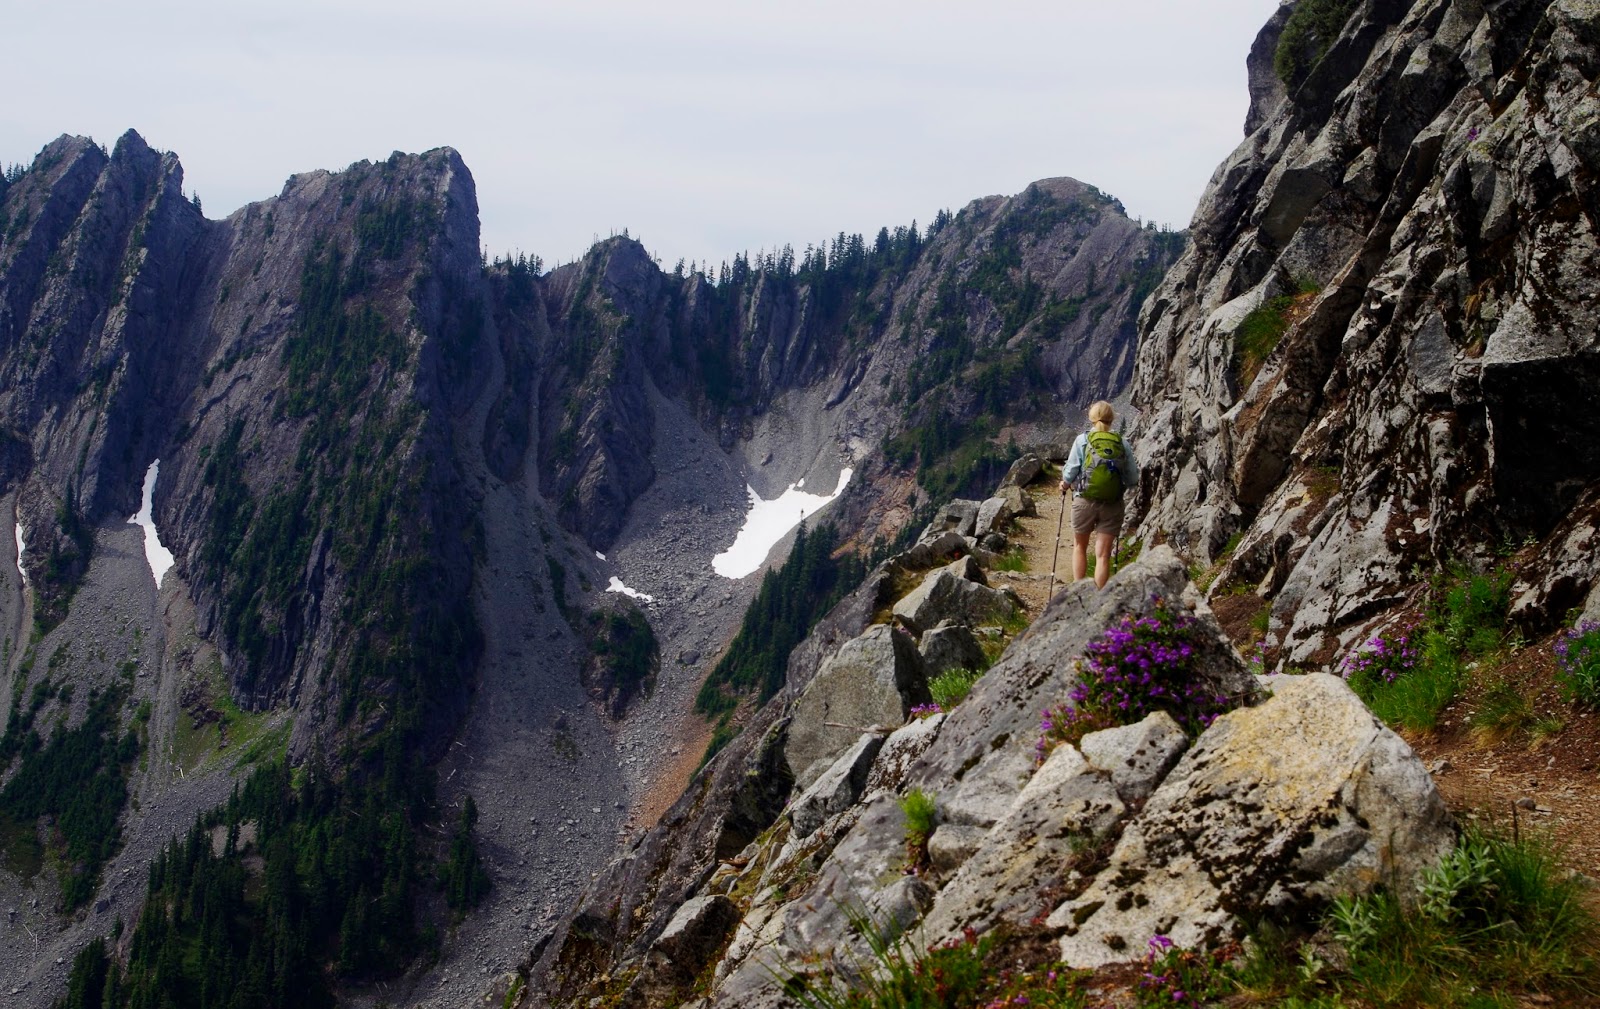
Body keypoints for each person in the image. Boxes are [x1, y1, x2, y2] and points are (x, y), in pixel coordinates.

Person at [1058, 401, 1138, 590]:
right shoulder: (1122, 443)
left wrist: (1064, 484)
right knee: (1103, 555)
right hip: (1112, 503)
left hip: (1084, 500)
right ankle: (1100, 599)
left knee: (1080, 547)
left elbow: (1071, 471)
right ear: (1112, 418)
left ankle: (1078, 594)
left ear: (1091, 418)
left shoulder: (1082, 440)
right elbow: (1132, 477)